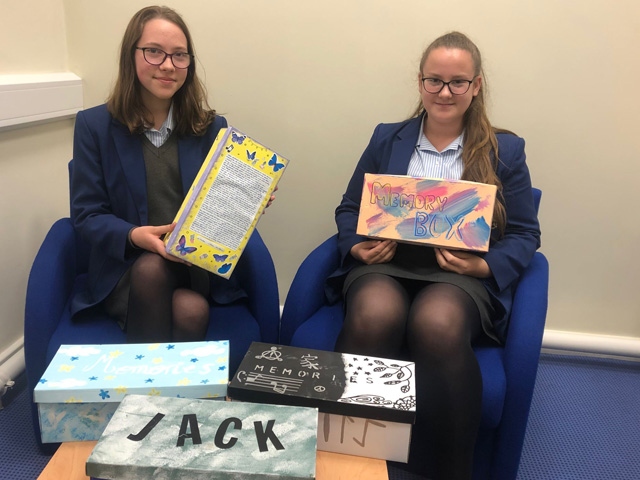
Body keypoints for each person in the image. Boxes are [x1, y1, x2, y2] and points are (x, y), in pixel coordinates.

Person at [331, 32, 540, 480]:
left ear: (476, 86)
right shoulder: (387, 138)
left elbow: (525, 233)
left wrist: (483, 265)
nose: (445, 93)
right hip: (384, 261)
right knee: (373, 313)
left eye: (458, 83)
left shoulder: (506, 150)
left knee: (437, 322)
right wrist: (357, 244)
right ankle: (353, 460)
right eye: (435, 81)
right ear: (420, 81)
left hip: (458, 274)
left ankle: (442, 469)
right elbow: (350, 207)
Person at [70, 5, 274, 343]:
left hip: (191, 264)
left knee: (188, 302)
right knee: (188, 308)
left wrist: (244, 205)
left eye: (180, 55)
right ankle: (164, 394)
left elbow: (218, 213)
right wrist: (136, 236)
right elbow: (87, 215)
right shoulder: (94, 126)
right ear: (130, 56)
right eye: (154, 52)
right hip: (128, 265)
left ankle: (142, 393)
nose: (168, 65)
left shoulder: (211, 128)